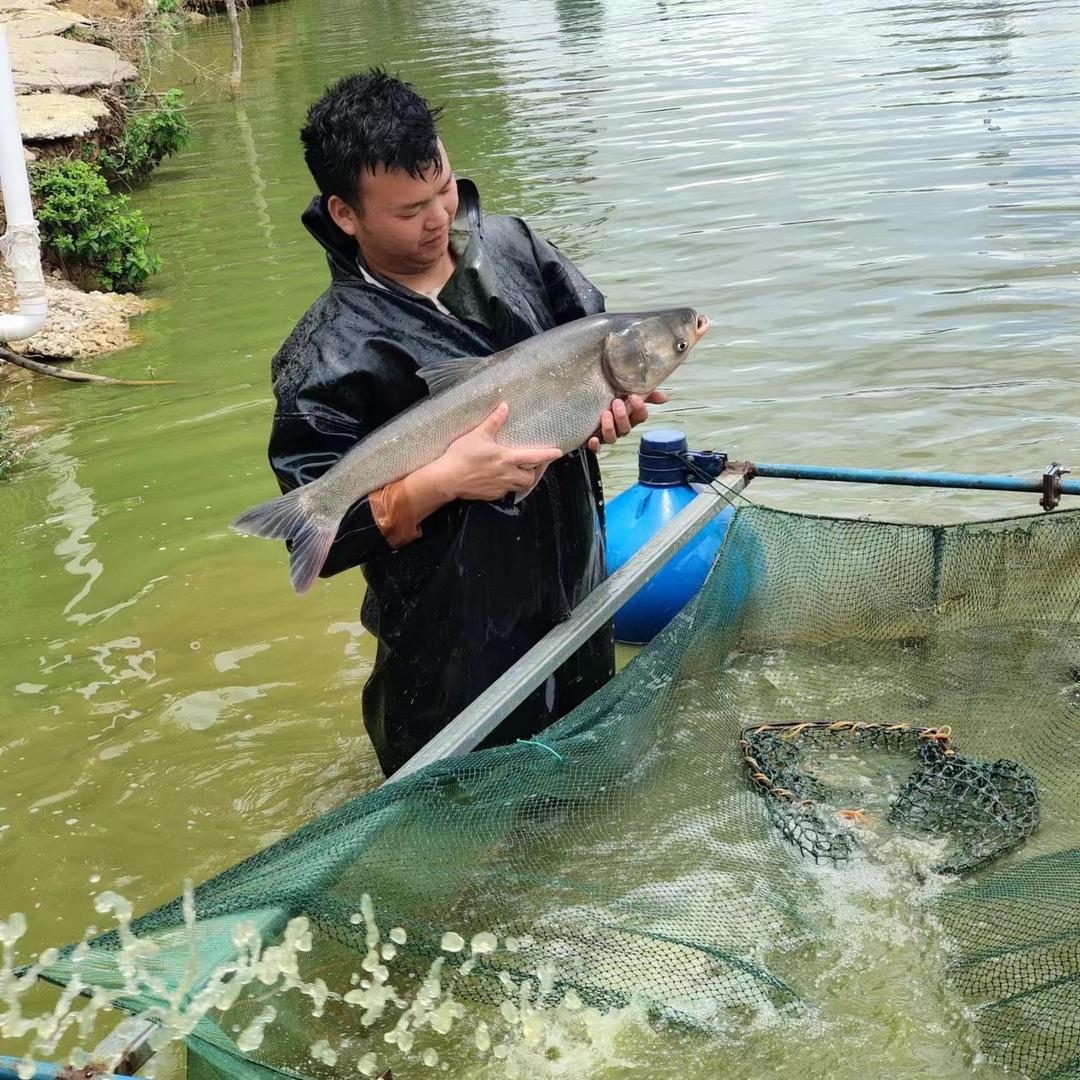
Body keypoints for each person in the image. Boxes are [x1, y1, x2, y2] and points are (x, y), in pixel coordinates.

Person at [267, 69, 665, 776]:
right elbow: (325, 545)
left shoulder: (516, 249)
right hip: (447, 649)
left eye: (445, 189)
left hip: (575, 588)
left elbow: (599, 362)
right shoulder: (324, 355)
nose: (438, 219)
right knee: (463, 833)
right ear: (344, 213)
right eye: (409, 209)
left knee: (591, 788)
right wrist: (442, 481)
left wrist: (612, 417)